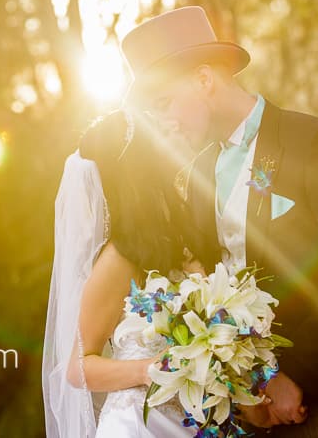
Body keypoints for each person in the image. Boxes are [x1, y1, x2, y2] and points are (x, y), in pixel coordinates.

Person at [119, 6, 318, 438]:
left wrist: (296, 376)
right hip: (255, 418)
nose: (165, 122)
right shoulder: (198, 175)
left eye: (164, 103)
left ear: (204, 80)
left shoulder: (315, 142)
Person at [43, 109, 227, 437]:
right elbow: (77, 367)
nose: (172, 127)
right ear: (141, 165)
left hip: (193, 420)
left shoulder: (181, 237)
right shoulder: (118, 258)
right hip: (141, 424)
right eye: (158, 133)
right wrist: (148, 370)